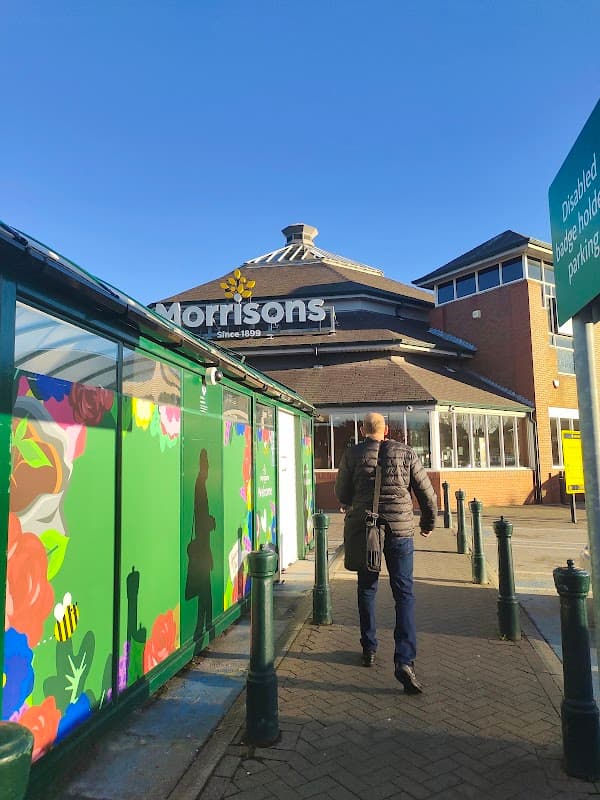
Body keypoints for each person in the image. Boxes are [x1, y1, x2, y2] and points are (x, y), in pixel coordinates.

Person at [335, 412, 437, 694]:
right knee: (403, 593)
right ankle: (405, 660)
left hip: (368, 531)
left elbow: (342, 493)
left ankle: (368, 648)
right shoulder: (406, 453)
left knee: (367, 588)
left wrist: (352, 499)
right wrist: (428, 523)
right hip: (400, 531)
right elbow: (428, 495)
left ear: (362, 429)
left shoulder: (352, 454)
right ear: (386, 429)